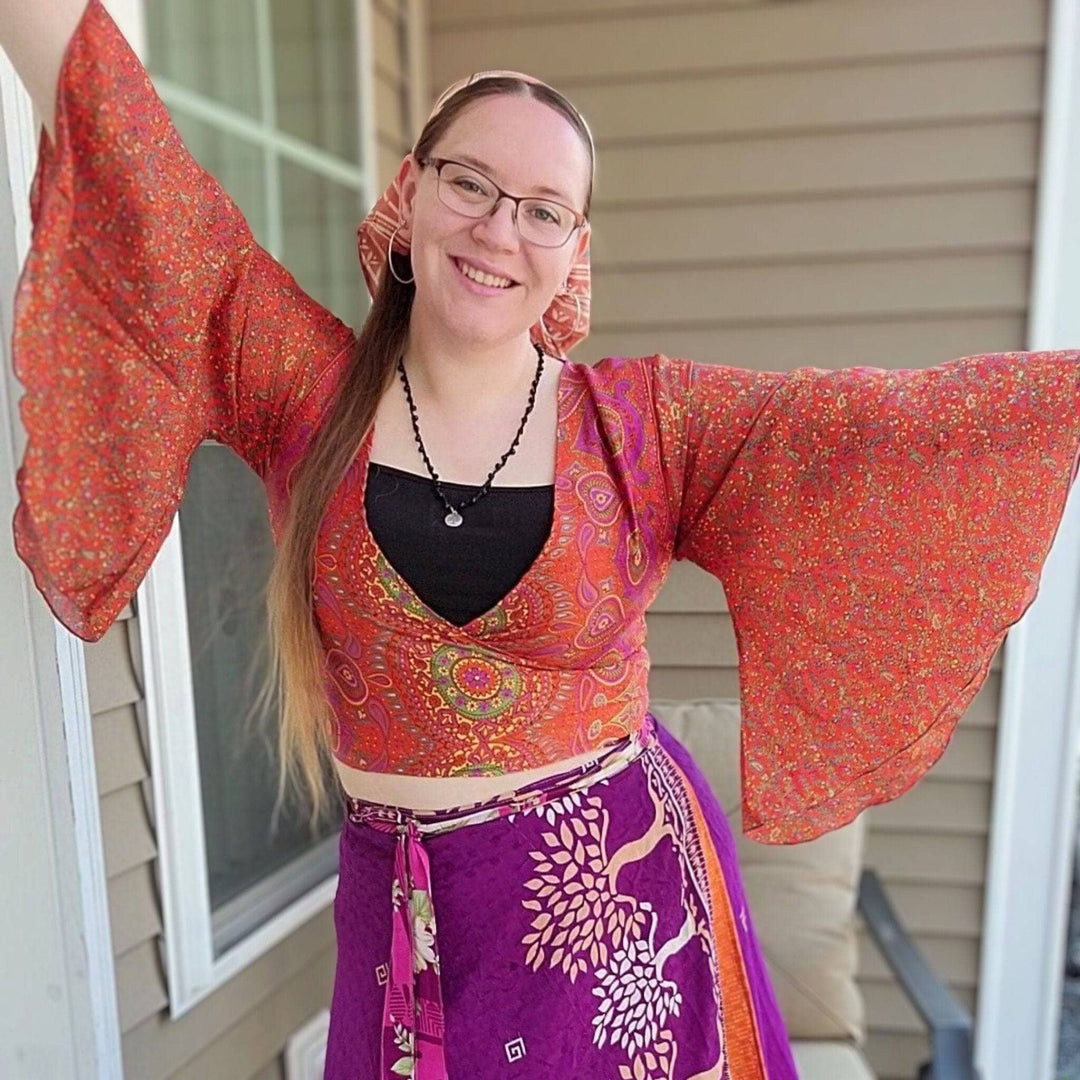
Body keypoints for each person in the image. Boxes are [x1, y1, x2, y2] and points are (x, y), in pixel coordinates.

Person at [5, 2, 1080, 1077]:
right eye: (470, 183)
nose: (498, 229)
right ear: (413, 189)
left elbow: (871, 433)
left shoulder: (643, 427)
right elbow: (140, 174)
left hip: (615, 915)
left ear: (576, 252)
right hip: (402, 930)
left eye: (544, 209)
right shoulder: (297, 388)